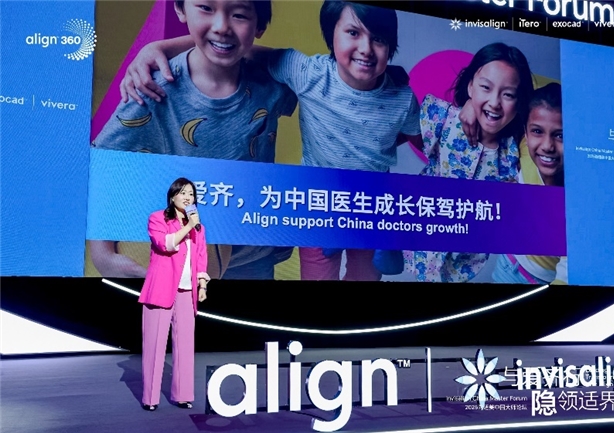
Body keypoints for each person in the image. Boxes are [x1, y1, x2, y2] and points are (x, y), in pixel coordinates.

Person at [121, 0, 423, 281]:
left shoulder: (403, 99)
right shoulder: (307, 73)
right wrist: (159, 47)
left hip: (371, 208)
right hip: (317, 205)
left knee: (366, 278)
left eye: (378, 39)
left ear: (391, 44)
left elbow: (416, 138)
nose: (366, 49)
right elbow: (236, 46)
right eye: (353, 33)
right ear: (332, 35)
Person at [90, 0, 297, 280]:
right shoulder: (152, 88)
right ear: (180, 9)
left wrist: (162, 46)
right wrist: (102, 254)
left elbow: (311, 73)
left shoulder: (273, 84)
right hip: (181, 257)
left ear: (259, 25)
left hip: (253, 256)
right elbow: (104, 165)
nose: (221, 26)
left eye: (239, 14)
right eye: (205, 8)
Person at [404, 42, 534, 282]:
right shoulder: (443, 118)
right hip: (423, 241)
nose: (494, 102)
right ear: (470, 85)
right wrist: (467, 104)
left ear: (519, 102)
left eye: (508, 94)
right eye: (485, 87)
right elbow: (396, 105)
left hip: (464, 260)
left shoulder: (514, 153)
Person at [140, 178, 210, 411]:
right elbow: (164, 244)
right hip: (161, 289)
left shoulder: (199, 228)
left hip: (187, 291)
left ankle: (183, 395)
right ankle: (150, 399)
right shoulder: (158, 218)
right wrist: (188, 227)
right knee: (155, 345)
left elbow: (201, 257)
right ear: (172, 197)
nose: (188, 197)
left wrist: (202, 285)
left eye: (191, 194)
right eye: (183, 193)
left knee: (185, 345)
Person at [492, 83, 567, 285]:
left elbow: (567, 272)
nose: (547, 146)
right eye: (537, 131)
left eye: (560, 135)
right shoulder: (525, 146)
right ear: (526, 131)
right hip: (507, 263)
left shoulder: (580, 197)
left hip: (540, 281)